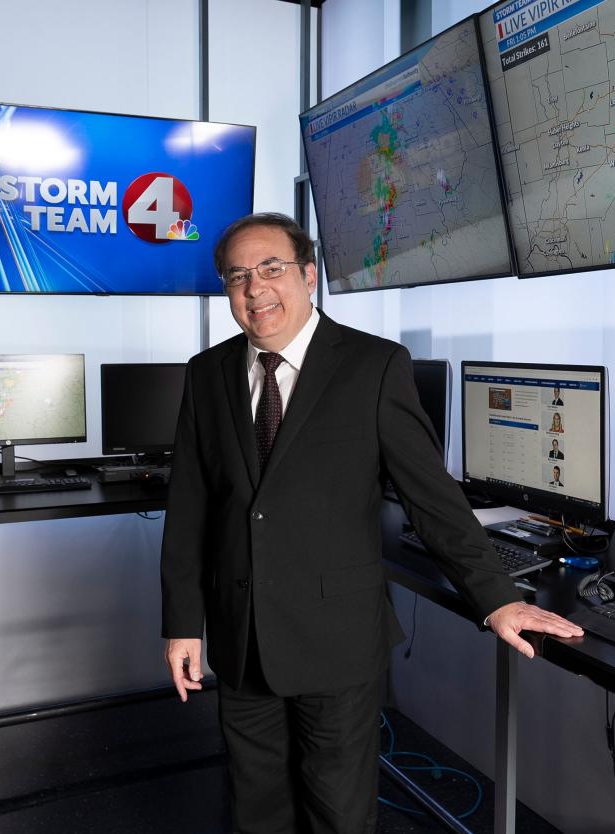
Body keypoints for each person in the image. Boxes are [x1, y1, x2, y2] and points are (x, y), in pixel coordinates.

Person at [161, 212, 583, 833]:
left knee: (338, 814)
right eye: (237, 276)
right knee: (255, 810)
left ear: (308, 276)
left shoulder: (375, 366)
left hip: (336, 642)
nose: (256, 289)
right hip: (239, 636)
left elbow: (431, 498)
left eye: (272, 268)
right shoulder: (206, 373)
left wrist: (496, 599)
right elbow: (191, 507)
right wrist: (181, 625)